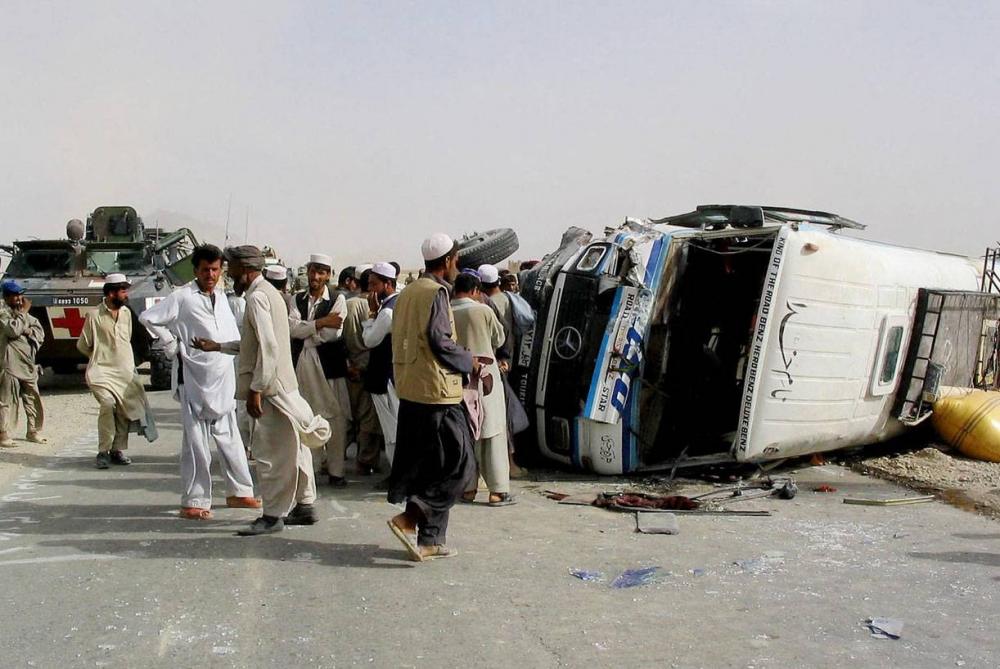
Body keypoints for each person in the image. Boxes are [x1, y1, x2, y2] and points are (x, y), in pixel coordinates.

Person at [193, 246, 331, 536]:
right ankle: (305, 505)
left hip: (271, 389)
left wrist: (256, 389)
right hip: (284, 385)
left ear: (245, 269)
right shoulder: (269, 293)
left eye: (231, 269)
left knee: (272, 455)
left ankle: (272, 516)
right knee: (295, 448)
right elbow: (254, 344)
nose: (228, 275)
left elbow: (268, 347)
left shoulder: (257, 298)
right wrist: (218, 346)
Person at [139, 244, 259, 520]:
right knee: (196, 443)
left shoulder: (224, 298)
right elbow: (148, 318)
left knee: (230, 437)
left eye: (215, 270)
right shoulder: (182, 297)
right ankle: (194, 500)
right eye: (205, 270)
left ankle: (240, 492)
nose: (210, 275)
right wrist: (171, 343)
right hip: (194, 377)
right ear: (195, 270)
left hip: (222, 376)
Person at [386, 233, 477, 562]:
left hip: (411, 389)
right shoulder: (436, 293)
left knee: (430, 468)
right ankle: (410, 517)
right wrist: (469, 360)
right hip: (437, 393)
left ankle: (431, 540)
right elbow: (439, 340)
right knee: (461, 464)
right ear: (449, 260)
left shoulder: (408, 292)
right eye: (456, 260)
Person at [77, 274, 157, 469]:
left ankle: (116, 450)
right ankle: (103, 451)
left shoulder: (126, 313)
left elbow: (126, 339)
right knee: (107, 404)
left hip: (125, 373)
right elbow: (83, 345)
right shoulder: (94, 315)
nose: (126, 294)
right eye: (123, 291)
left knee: (123, 411)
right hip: (101, 373)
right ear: (112, 293)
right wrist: (99, 357)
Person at [288, 253, 352, 488]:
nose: (316, 276)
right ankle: (311, 469)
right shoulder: (297, 299)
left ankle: (336, 471)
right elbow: (292, 329)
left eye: (321, 272)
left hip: (329, 368)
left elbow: (333, 334)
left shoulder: (337, 299)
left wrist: (307, 331)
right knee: (307, 417)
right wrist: (320, 323)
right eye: (313, 271)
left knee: (335, 418)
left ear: (328, 275)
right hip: (302, 368)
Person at [451, 273, 513, 506]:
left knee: (466, 434)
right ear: (476, 290)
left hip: (457, 378)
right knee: (492, 432)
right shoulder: (482, 310)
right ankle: (498, 491)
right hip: (486, 378)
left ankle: (468, 488)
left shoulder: (446, 311)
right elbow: (499, 338)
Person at [342, 267, 383, 475]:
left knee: (346, 414)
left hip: (348, 368)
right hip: (368, 368)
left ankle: (335, 458)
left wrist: (348, 365)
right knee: (368, 417)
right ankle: (365, 461)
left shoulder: (346, 305)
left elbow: (338, 339)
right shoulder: (377, 307)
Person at [361, 262, 399, 468]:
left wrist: (371, 315)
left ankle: (397, 474)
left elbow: (369, 340)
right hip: (392, 375)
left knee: (391, 430)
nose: (370, 289)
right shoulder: (397, 303)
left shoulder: (386, 312)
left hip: (386, 378)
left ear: (388, 284)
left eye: (374, 284)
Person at [0, 280, 46, 447]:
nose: (19, 299)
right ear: (6, 297)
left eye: (20, 295)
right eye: (15, 296)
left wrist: (27, 329)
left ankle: (33, 431)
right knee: (6, 400)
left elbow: (38, 331)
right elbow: (12, 330)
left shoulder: (21, 313)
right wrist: (23, 318)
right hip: (9, 362)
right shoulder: (2, 312)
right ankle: (3, 433)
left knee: (32, 397)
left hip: (27, 363)